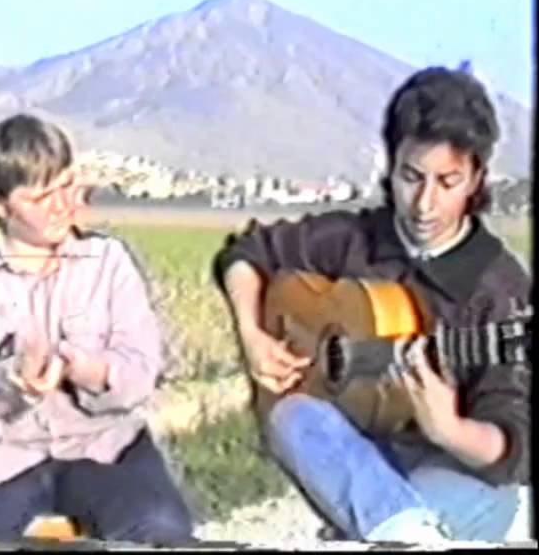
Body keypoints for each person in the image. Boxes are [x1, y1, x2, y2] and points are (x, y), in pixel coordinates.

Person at [213, 64, 531, 542]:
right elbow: (247, 254)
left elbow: (512, 445)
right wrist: (252, 334)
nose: (424, 204)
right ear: (391, 165)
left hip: (451, 472)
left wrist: (448, 429)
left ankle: (391, 529)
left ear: (476, 178)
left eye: (447, 182)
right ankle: (398, 530)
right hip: (352, 454)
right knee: (292, 415)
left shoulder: (498, 285)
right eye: (411, 177)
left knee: (451, 502)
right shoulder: (355, 237)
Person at [0, 113, 194, 545]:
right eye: (41, 196)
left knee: (160, 530)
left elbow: (141, 368)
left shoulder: (109, 262)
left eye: (67, 186)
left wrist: (90, 372)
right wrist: (12, 393)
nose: (63, 205)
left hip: (105, 446)